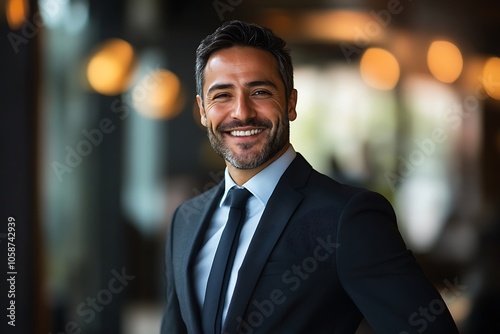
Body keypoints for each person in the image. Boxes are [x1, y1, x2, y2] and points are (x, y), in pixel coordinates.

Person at [161, 20, 459, 334]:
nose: (241, 112)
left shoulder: (348, 217)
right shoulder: (186, 220)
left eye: (260, 91)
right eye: (222, 95)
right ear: (203, 110)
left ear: (291, 102)